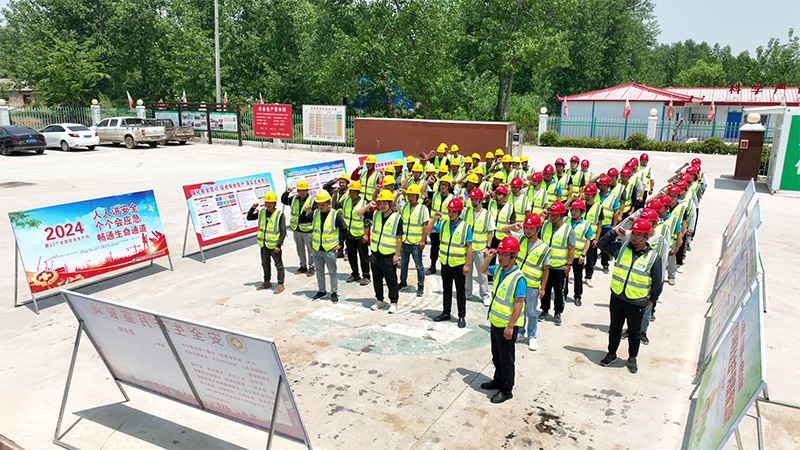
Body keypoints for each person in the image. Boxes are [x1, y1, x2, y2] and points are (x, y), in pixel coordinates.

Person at [598, 219, 663, 374]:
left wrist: (652, 299)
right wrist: (614, 233)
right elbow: (602, 244)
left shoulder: (653, 257)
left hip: (636, 301)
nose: (634, 237)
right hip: (618, 296)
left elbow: (657, 282)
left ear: (646, 237)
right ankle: (611, 353)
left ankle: (632, 358)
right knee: (615, 328)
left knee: (634, 332)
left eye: (639, 235)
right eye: (633, 233)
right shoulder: (621, 248)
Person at [479, 237, 527, 403]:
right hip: (495, 322)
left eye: (504, 255)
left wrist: (511, 326)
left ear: (514, 256)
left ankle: (506, 389)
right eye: (500, 254)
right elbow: (483, 270)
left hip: (507, 326)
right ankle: (498, 380)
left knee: (507, 359)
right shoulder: (499, 269)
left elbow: (519, 304)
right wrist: (490, 256)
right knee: (496, 355)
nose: (501, 258)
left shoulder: (518, 278)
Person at [500, 214, 549, 351]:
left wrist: (543, 288)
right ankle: (520, 331)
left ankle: (532, 336)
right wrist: (514, 226)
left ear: (538, 229)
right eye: (526, 227)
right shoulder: (520, 239)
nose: (528, 231)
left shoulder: (544, 247)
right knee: (519, 310)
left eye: (531, 228)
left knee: (531, 312)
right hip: (517, 282)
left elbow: (546, 270)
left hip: (532, 285)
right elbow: (503, 230)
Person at [426, 197, 473, 328]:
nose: (450, 214)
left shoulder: (465, 227)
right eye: (449, 211)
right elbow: (428, 230)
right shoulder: (443, 224)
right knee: (446, 290)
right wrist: (434, 219)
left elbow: (469, 247)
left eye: (453, 211)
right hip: (445, 263)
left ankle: (461, 316)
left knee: (460, 292)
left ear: (459, 212)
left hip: (459, 264)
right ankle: (446, 313)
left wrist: (467, 264)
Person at [359, 190, 404, 313]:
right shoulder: (375, 214)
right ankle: (379, 300)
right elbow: (359, 213)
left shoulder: (396, 218)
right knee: (377, 279)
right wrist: (369, 205)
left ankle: (393, 302)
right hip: (375, 253)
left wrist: (397, 255)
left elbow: (399, 238)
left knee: (391, 280)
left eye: (385, 203)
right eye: (381, 203)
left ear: (390, 203)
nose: (382, 205)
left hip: (388, 255)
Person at [305, 190, 347, 303]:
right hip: (317, 249)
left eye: (323, 204)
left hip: (329, 250)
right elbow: (302, 220)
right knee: (319, 272)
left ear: (329, 203)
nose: (320, 207)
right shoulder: (315, 213)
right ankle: (321, 291)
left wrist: (340, 244)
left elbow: (344, 229)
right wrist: (305, 211)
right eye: (319, 204)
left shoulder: (335, 215)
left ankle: (334, 292)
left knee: (332, 273)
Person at [538, 202, 575, 326]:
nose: (553, 218)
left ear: (562, 216)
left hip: (560, 267)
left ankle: (558, 312)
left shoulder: (568, 229)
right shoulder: (544, 225)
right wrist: (541, 214)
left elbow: (571, 248)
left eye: (556, 216)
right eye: (551, 215)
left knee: (559, 292)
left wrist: (569, 265)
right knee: (545, 289)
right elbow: (531, 223)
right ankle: (544, 310)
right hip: (545, 266)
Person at [247, 192, 286, 294]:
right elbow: (250, 217)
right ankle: (267, 282)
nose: (268, 205)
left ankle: (280, 284)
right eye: (266, 202)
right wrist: (252, 208)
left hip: (274, 246)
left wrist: (279, 245)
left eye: (270, 203)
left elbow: (283, 232)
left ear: (274, 203)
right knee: (265, 264)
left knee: (278, 265)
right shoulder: (262, 212)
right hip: (264, 244)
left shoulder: (279, 215)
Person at [464, 188, 494, 306]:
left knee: (482, 274)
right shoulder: (467, 212)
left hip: (481, 248)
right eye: (472, 199)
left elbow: (490, 232)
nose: (473, 201)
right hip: (468, 248)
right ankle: (467, 292)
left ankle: (485, 295)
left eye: (476, 199)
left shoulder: (487, 214)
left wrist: (488, 247)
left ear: (481, 200)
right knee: (467, 272)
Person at [398, 184, 430, 297]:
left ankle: (420, 285)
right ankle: (403, 282)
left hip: (416, 243)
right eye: (409, 195)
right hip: (405, 241)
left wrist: (423, 240)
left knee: (419, 266)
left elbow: (425, 226)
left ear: (417, 196)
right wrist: (397, 194)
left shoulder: (423, 209)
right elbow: (392, 206)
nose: (410, 198)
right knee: (404, 264)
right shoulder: (404, 207)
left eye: (412, 196)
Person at [339, 181, 371, 286]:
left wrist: (366, 234)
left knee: (363, 257)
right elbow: (336, 206)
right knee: (351, 256)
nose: (351, 194)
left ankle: (366, 275)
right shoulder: (346, 201)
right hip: (349, 234)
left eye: (354, 192)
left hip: (360, 234)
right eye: (350, 191)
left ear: (358, 192)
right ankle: (355, 274)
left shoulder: (363, 203)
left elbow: (367, 221)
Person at [281, 180, 315, 276]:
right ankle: (303, 266)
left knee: (310, 250)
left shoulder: (312, 201)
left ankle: (312, 267)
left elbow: (316, 214)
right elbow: (284, 200)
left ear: (307, 190)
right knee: (300, 249)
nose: (302, 192)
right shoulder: (294, 199)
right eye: (300, 190)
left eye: (304, 190)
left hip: (307, 230)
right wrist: (286, 193)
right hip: (296, 229)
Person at [563, 200, 593, 306]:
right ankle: (564, 294)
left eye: (576, 211)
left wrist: (583, 255)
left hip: (578, 256)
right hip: (565, 255)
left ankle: (578, 296)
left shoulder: (586, 225)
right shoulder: (565, 220)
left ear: (582, 212)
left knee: (578, 277)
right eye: (572, 210)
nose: (573, 212)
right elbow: (563, 208)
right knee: (564, 276)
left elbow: (588, 241)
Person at [427, 174, 454, 275]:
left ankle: (446, 267)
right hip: (434, 227)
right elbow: (422, 191)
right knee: (434, 248)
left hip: (446, 228)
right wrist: (428, 182)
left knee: (445, 248)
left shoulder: (452, 197)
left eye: (445, 185)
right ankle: (432, 266)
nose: (443, 187)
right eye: (442, 184)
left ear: (449, 187)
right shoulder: (435, 195)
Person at [581, 184, 601, 288]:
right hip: (580, 237)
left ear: (594, 195)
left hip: (592, 237)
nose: (587, 196)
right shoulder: (581, 205)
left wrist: (597, 239)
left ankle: (588, 277)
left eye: (590, 194)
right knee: (579, 259)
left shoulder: (598, 207)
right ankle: (577, 277)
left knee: (590, 260)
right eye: (586, 194)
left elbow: (599, 225)